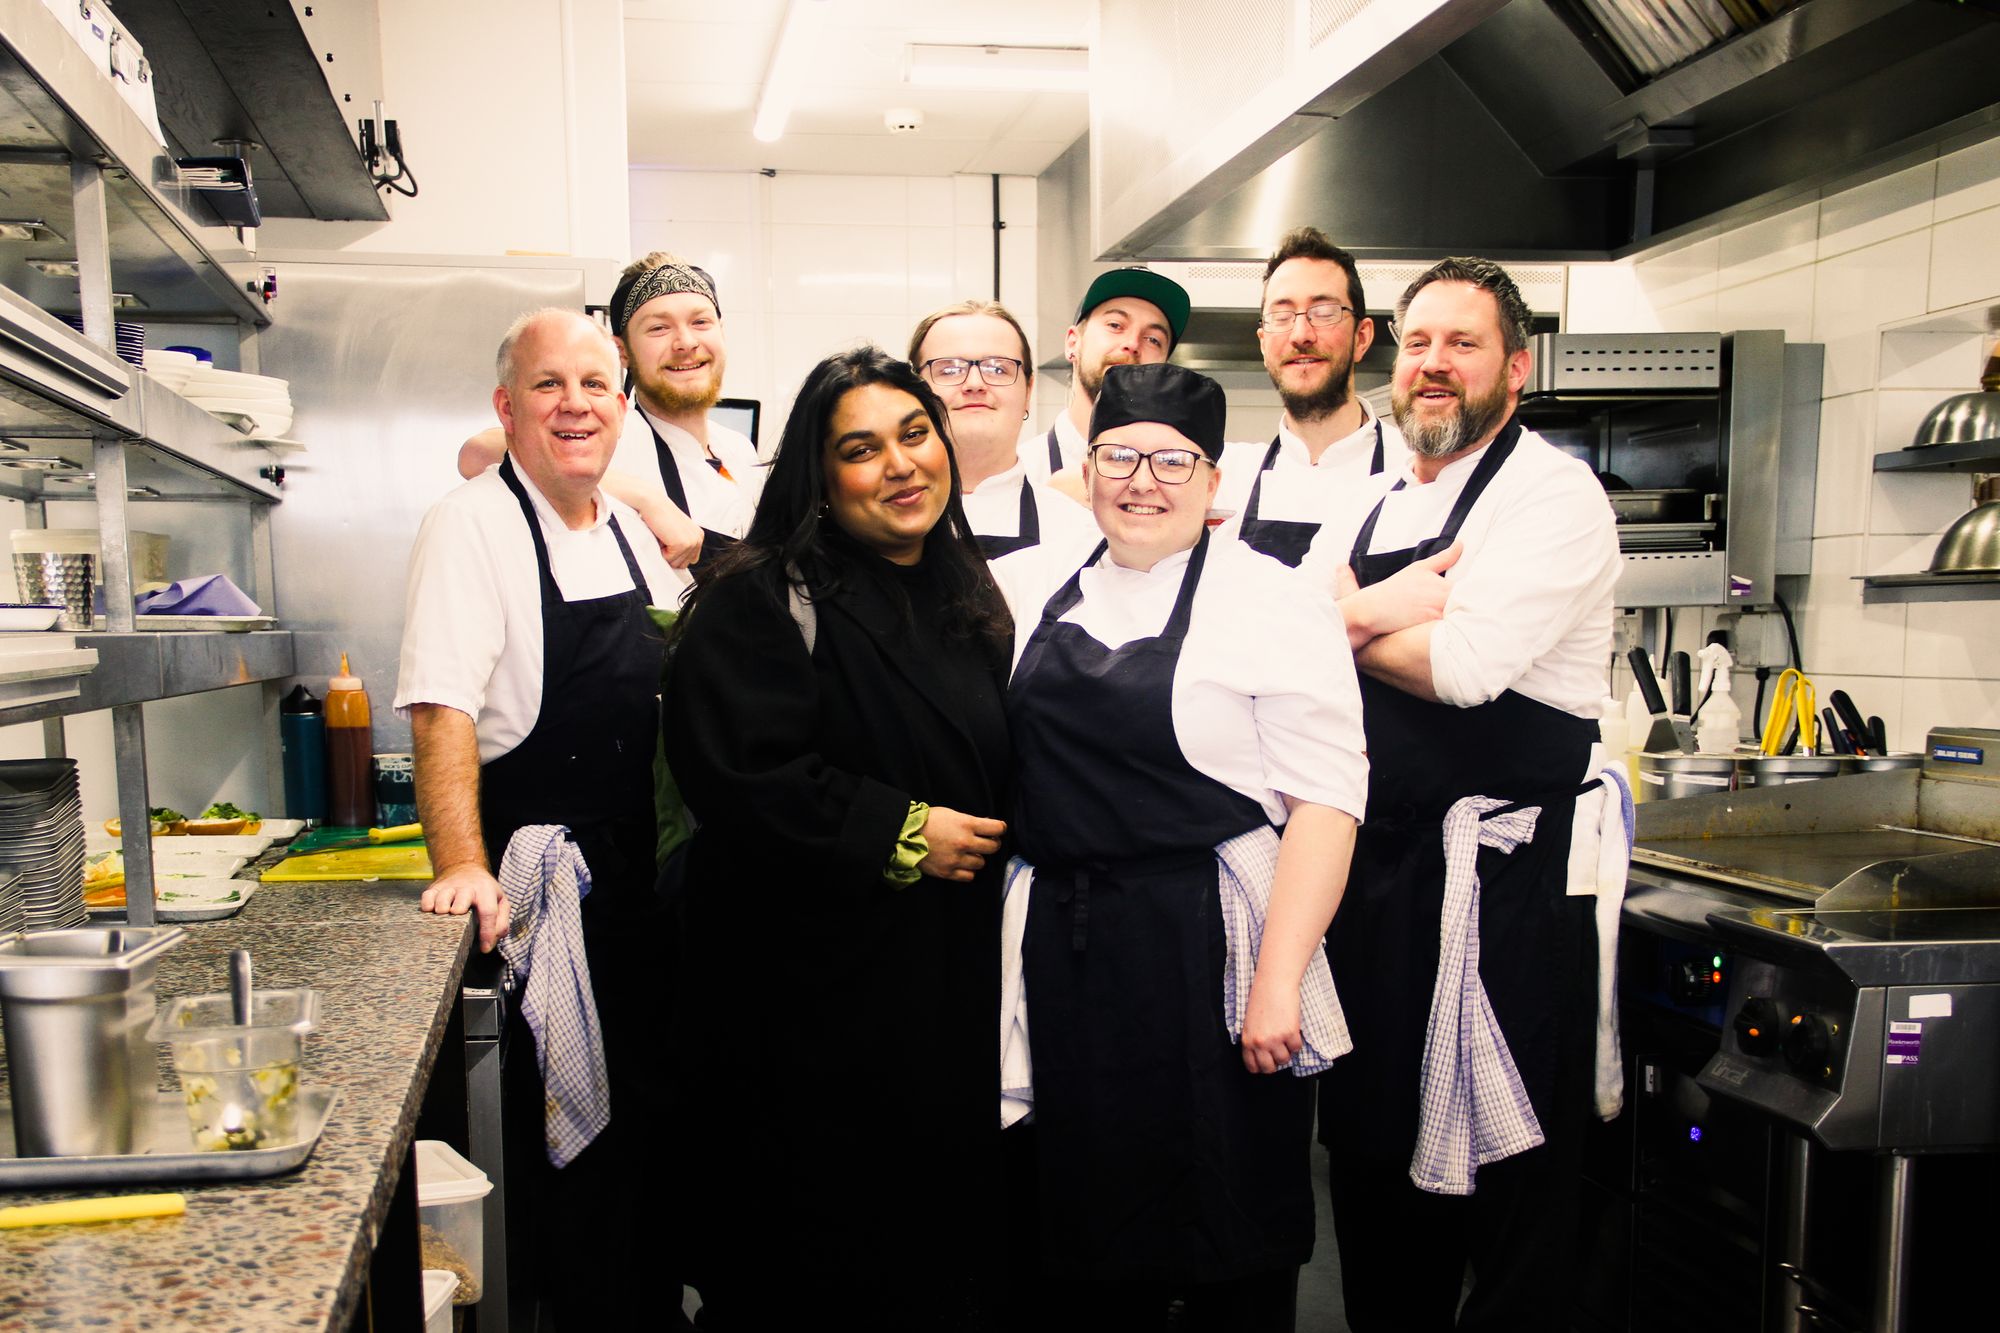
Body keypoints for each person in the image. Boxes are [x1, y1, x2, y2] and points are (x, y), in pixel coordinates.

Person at [996, 361, 1368, 1330]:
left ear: (1213, 483)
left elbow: (1325, 804)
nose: (1142, 479)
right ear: (1088, 468)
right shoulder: (1028, 584)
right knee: (1073, 1240)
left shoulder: (1272, 600)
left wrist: (1277, 980)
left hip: (1209, 949)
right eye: (1119, 455)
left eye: (1172, 459)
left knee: (1223, 1238)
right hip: (1066, 954)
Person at [660, 347, 1013, 1331]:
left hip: (936, 989)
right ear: (820, 476)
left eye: (913, 434)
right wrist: (903, 831)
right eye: (861, 450)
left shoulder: (961, 590)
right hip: (805, 1007)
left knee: (924, 1254)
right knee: (808, 1262)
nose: (900, 465)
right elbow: (737, 773)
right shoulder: (760, 595)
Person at [1303, 258, 1621, 1331]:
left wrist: (1337, 621)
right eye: (1416, 342)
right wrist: (1371, 613)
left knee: (1509, 1193)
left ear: (1516, 367)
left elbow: (1466, 667)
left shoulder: (1552, 495)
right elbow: (1305, 645)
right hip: (1370, 895)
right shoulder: (1367, 495)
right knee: (1369, 1172)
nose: (1432, 365)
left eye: (1462, 343)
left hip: (1504, 902)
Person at [395, 308, 690, 1327]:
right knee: (571, 1163)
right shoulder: (471, 521)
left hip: (642, 889)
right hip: (546, 889)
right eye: (547, 386)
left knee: (647, 1142)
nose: (574, 405)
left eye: (594, 386)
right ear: (505, 406)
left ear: (622, 405)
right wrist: (462, 862)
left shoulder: (626, 528)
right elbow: (442, 707)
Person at [458, 251, 758, 572]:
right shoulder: (610, 431)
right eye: (658, 328)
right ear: (622, 352)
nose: (685, 342)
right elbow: (475, 453)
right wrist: (647, 498)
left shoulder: (739, 450)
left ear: (721, 332)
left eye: (700, 322)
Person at [1214, 226, 1410, 567]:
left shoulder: (1412, 472)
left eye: (1324, 313)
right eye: (1282, 316)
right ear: (1263, 343)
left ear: (1362, 338)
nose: (1301, 334)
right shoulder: (1224, 479)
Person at [907, 298, 1095, 559]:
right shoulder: (879, 529)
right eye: (949, 369)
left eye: (997, 368)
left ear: (1028, 391)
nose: (974, 383)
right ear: (915, 391)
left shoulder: (1080, 534)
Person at [1037, 266, 1191, 483]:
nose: (1132, 344)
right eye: (1115, 325)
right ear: (1073, 343)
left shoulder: (1181, 479)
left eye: (1153, 339)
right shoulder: (1026, 472)